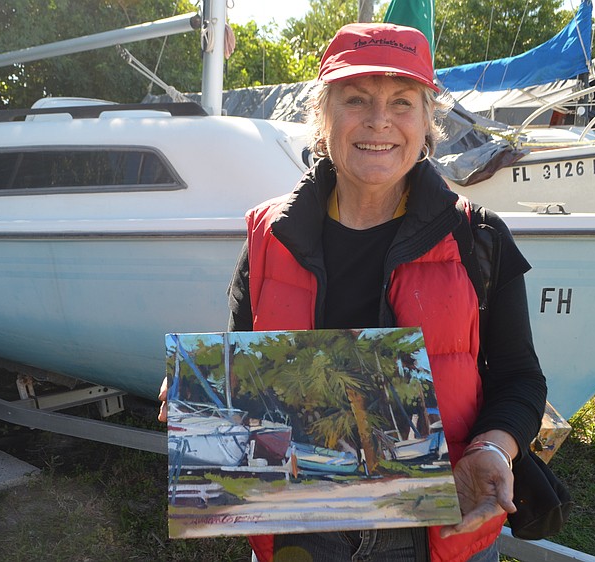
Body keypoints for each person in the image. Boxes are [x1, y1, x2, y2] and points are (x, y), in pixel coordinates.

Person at [160, 22, 547, 562]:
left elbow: (520, 378)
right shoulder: (268, 237)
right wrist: (208, 390)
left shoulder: (477, 237)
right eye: (357, 99)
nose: (379, 121)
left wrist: (493, 448)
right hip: (297, 523)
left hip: (436, 530)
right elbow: (244, 359)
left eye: (402, 102)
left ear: (427, 120)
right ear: (324, 118)